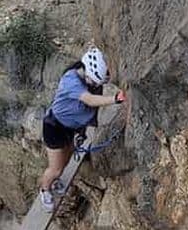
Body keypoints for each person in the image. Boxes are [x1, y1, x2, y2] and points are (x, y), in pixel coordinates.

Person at [39, 47, 126, 212]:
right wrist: (114, 99)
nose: (95, 85)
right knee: (56, 169)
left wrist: (81, 132)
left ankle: (53, 181)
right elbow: (90, 100)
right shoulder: (71, 80)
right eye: (93, 81)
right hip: (54, 128)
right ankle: (44, 189)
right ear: (87, 72)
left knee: (65, 161)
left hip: (70, 128)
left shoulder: (88, 80)